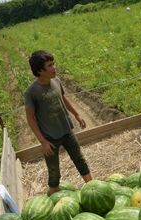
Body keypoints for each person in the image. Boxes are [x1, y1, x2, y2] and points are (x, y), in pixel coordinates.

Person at [25, 50, 92, 195]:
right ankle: (53, 197)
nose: (54, 67)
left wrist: (77, 114)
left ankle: (93, 188)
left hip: (67, 131)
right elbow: (30, 119)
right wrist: (43, 141)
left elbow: (63, 98)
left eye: (53, 64)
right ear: (39, 71)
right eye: (49, 66)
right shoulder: (32, 92)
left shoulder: (56, 81)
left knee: (79, 159)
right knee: (54, 171)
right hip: (50, 139)